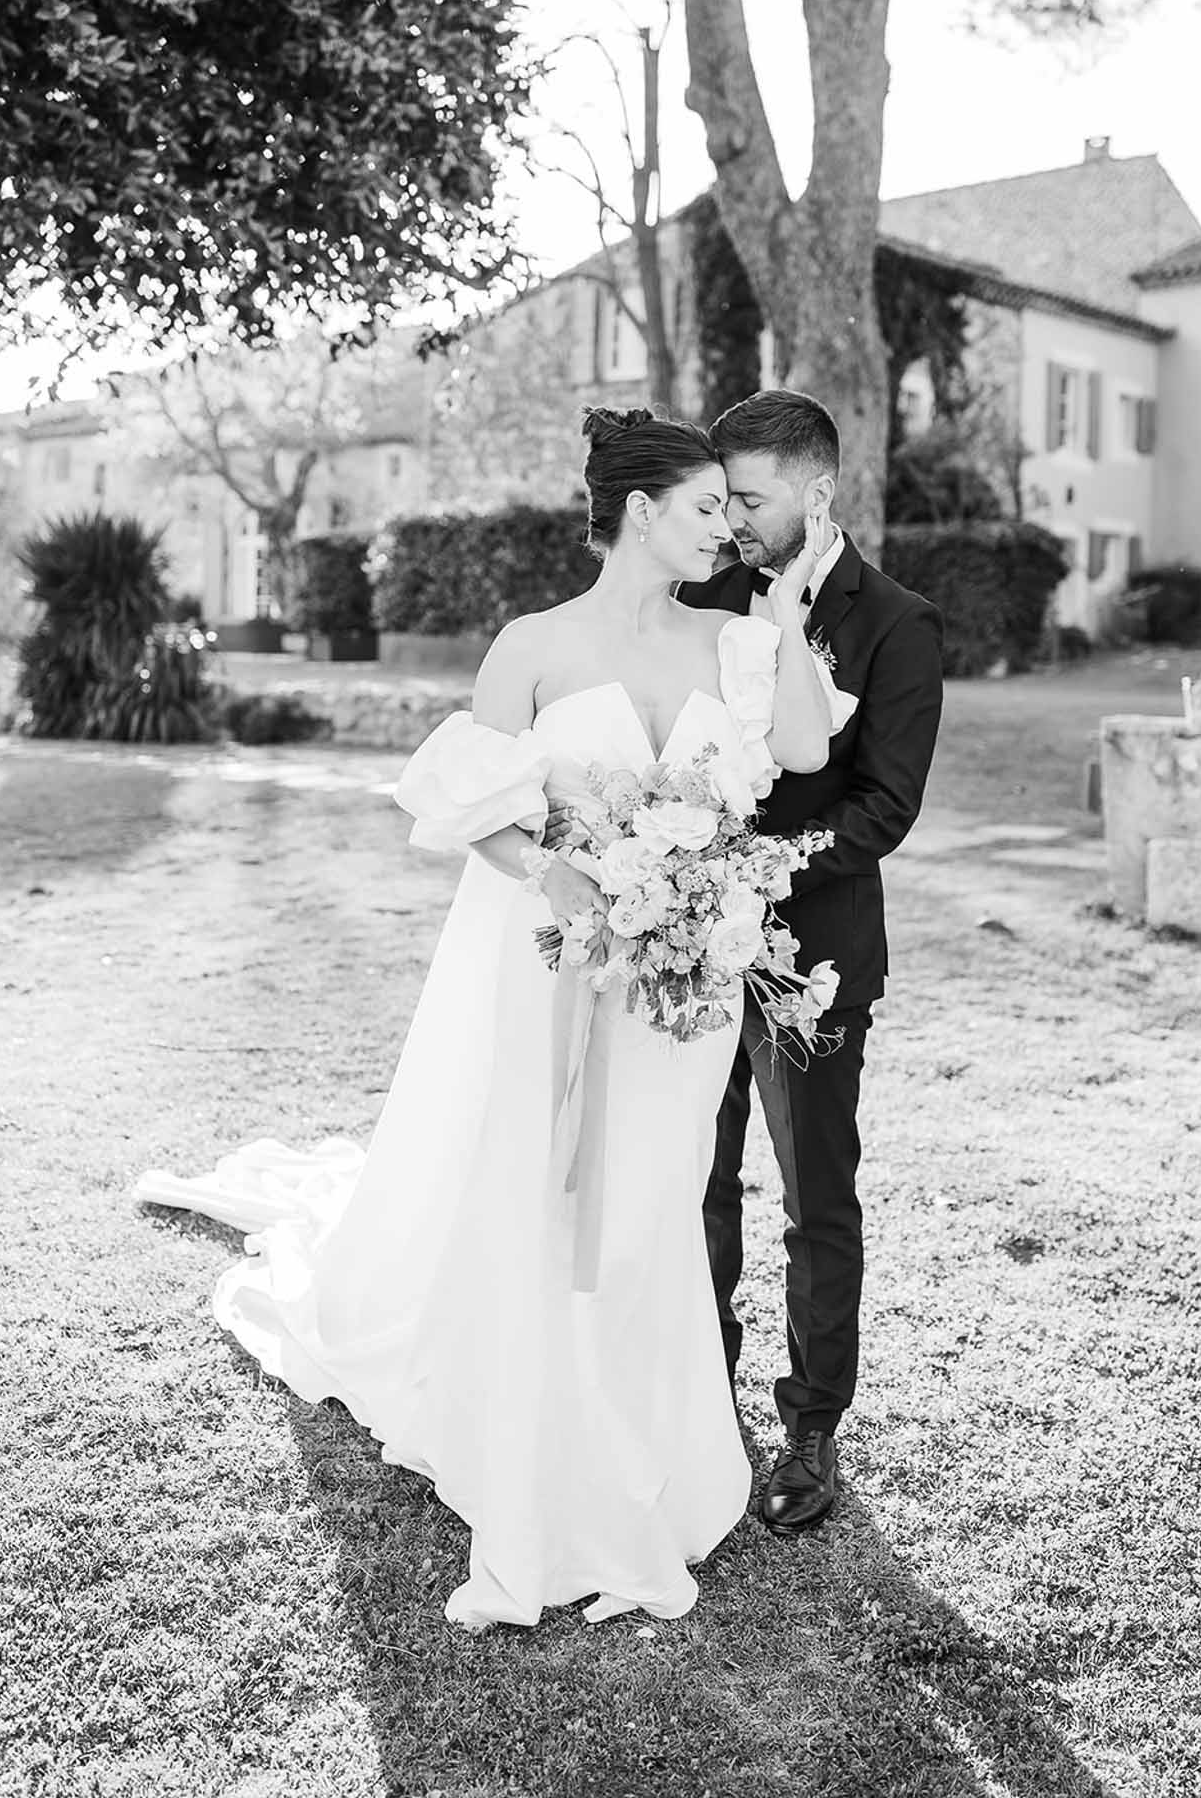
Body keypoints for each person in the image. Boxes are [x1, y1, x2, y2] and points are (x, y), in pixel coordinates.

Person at [135, 405, 855, 1630]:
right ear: (641, 510)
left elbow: (793, 747)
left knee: (647, 1204)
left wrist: (784, 625)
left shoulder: (740, 638)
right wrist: (564, 873)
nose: (726, 530)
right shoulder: (529, 645)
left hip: (679, 990)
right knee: (549, 1194)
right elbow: (473, 811)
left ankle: (640, 1438)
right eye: (704, 508)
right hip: (556, 970)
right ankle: (542, 1453)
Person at [680, 389, 944, 1538]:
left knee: (812, 1194)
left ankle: (812, 1423)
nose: (732, 516)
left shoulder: (896, 622)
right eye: (723, 495)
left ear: (817, 490)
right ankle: (699, 1388)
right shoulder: (704, 597)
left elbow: (882, 809)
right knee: (697, 1173)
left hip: (814, 953)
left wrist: (756, 871)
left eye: (749, 495)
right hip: (687, 938)